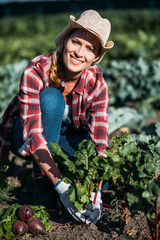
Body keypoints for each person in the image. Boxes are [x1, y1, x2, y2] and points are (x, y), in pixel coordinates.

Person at [0, 9, 114, 224]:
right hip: (27, 136)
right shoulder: (35, 71)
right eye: (76, 42)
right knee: (51, 98)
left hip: (65, 140)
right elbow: (34, 136)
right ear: (65, 41)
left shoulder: (97, 82)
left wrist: (95, 190)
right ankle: (42, 180)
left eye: (90, 49)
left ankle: (65, 181)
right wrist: (60, 186)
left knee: (107, 179)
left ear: (96, 57)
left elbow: (99, 143)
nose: (80, 52)